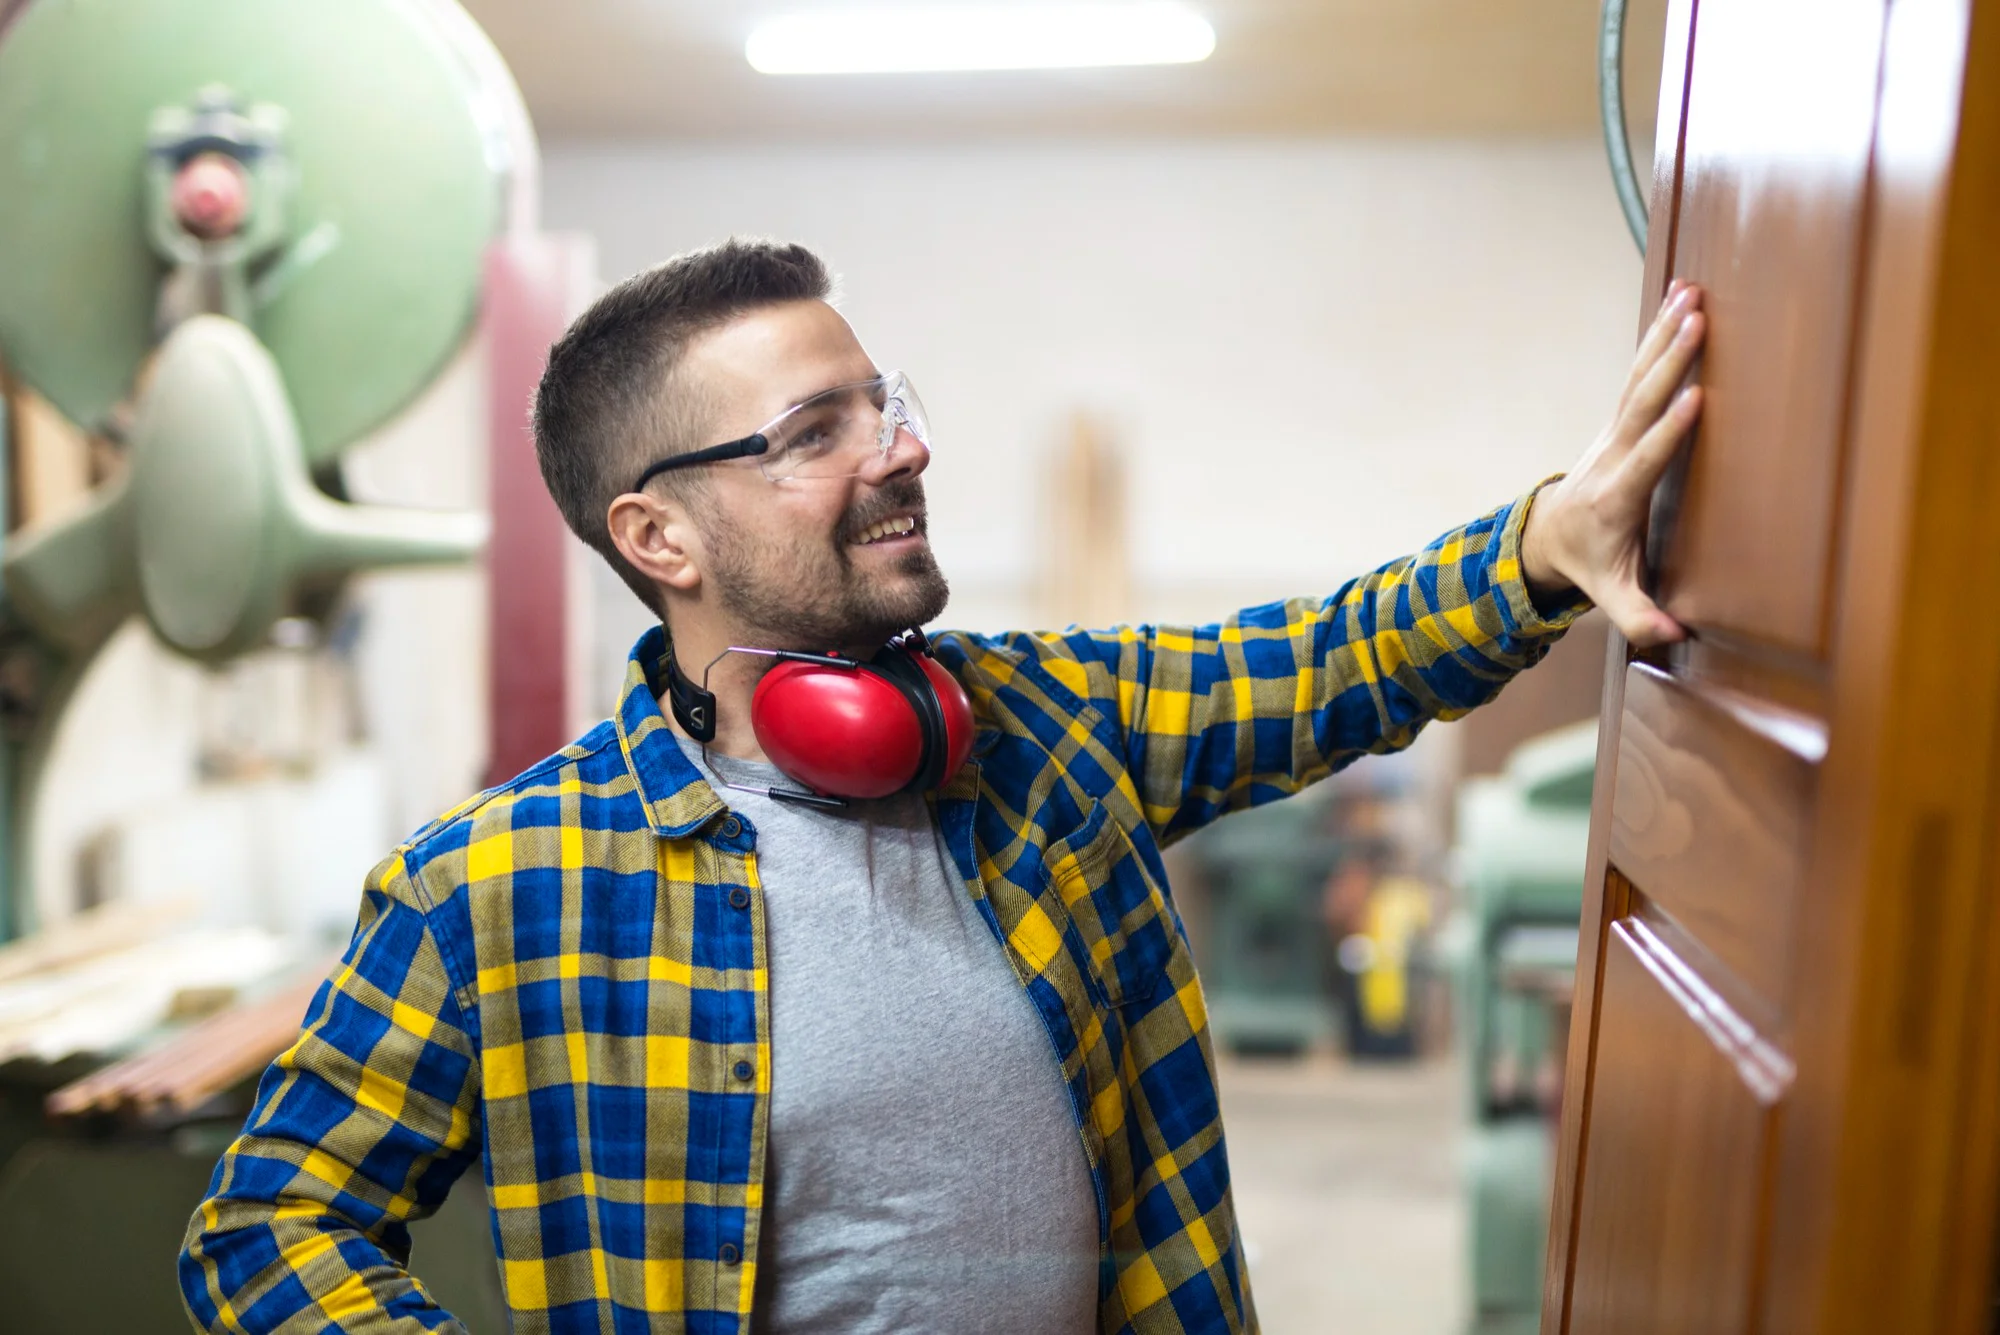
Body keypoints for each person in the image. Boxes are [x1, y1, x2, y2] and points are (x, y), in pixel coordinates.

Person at [178, 239, 1706, 1334]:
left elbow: (1321, 659)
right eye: (812, 432)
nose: (903, 451)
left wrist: (1539, 547)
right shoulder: (498, 882)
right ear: (660, 540)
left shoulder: (1041, 731)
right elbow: (271, 1227)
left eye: (882, 399)